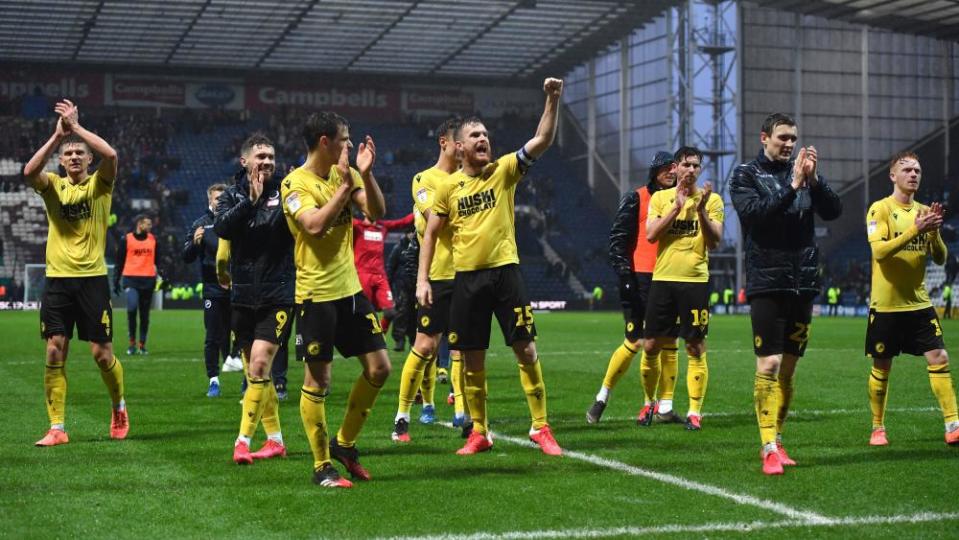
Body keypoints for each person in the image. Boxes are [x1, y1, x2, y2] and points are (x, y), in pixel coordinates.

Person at [417, 78, 564, 456]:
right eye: (475, 135)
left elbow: (542, 140)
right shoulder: (448, 188)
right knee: (472, 360)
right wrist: (423, 280)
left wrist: (552, 99)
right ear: (460, 146)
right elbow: (431, 235)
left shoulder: (504, 171)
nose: (483, 139)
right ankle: (479, 432)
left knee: (526, 351)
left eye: (486, 134)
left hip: (505, 274)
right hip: (466, 279)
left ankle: (540, 426)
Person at [280, 111, 391, 488]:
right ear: (324, 142)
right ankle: (321, 466)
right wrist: (345, 186)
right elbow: (313, 225)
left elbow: (376, 212)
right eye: (344, 139)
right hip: (315, 295)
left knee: (379, 368)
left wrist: (367, 174)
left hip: (351, 291)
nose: (349, 144)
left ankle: (344, 444)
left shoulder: (348, 175)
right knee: (319, 379)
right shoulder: (294, 184)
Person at [730, 111, 842, 475]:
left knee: (789, 372)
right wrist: (792, 186)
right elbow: (756, 216)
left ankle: (777, 439)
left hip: (803, 282)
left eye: (793, 139)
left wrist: (815, 181)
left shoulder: (805, 176)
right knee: (770, 363)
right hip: (767, 282)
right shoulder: (746, 175)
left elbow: (834, 211)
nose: (789, 144)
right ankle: (766, 448)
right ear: (765, 138)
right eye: (782, 138)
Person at [24, 99, 128, 446]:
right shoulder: (52, 184)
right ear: (61, 160)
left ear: (86, 159)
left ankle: (118, 406)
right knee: (55, 350)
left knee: (101, 354)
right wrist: (57, 136)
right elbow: (27, 172)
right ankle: (57, 427)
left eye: (78, 154)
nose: (72, 157)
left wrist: (77, 128)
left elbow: (111, 156)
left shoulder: (99, 185)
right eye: (67, 154)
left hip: (92, 279)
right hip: (57, 279)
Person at [864, 151, 957, 447]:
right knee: (882, 366)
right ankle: (877, 427)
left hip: (919, 303)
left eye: (917, 170)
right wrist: (916, 229)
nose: (914, 174)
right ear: (893, 176)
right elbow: (879, 252)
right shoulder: (879, 210)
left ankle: (952, 423)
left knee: (939, 357)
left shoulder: (926, 211)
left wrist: (935, 233)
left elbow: (941, 259)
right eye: (907, 170)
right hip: (886, 305)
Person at [214, 133, 292, 465]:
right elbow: (222, 229)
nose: (267, 162)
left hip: (278, 293)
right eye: (260, 156)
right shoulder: (231, 196)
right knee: (257, 373)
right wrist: (250, 201)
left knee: (259, 364)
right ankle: (275, 440)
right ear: (244, 161)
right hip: (243, 295)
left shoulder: (287, 192)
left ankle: (242, 441)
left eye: (271, 157)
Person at [586, 151, 679, 425]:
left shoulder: (680, 200)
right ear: (654, 172)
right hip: (640, 278)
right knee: (636, 342)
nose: (670, 172)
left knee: (668, 342)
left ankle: (661, 406)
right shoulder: (637, 197)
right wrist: (625, 276)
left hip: (670, 278)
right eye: (665, 168)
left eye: (673, 168)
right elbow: (617, 240)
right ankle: (602, 398)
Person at [392, 117, 464, 443]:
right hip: (436, 275)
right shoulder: (423, 179)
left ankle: (463, 413)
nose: (463, 148)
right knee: (425, 345)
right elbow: (436, 221)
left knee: (464, 346)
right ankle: (402, 416)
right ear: (444, 142)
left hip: (468, 273)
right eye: (457, 141)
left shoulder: (470, 178)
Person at [643, 146, 724, 433]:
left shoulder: (712, 200)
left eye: (696, 166)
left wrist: (700, 210)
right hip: (663, 280)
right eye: (686, 165)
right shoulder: (661, 198)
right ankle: (650, 403)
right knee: (651, 345)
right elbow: (651, 235)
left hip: (695, 282)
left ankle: (694, 412)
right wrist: (676, 208)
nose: (691, 170)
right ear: (675, 167)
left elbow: (714, 242)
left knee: (695, 346)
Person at [181, 183, 243, 398]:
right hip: (213, 290)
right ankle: (213, 381)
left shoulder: (236, 222)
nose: (219, 202)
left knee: (243, 333)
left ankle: (248, 380)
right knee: (213, 336)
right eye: (216, 199)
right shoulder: (200, 224)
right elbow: (186, 256)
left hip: (238, 289)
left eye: (223, 198)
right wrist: (194, 244)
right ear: (209, 200)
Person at [352, 211, 414, 332]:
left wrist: (420, 209)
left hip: (380, 276)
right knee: (363, 313)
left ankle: (380, 335)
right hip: (363, 276)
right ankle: (361, 340)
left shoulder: (382, 226)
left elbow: (403, 222)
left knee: (390, 312)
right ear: (364, 211)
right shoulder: (356, 226)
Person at [113, 215, 159, 355]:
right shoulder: (126, 239)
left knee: (144, 314)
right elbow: (119, 261)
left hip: (148, 280)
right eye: (148, 224)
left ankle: (142, 345)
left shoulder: (153, 240)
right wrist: (116, 280)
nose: (150, 227)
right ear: (139, 224)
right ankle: (131, 343)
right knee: (132, 308)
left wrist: (164, 275)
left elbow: (159, 260)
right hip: (131, 279)